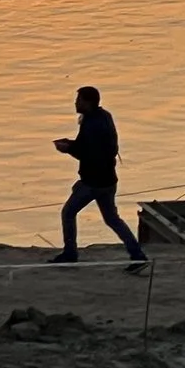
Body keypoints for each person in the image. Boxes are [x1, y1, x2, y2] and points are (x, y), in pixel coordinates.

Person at [52, 85, 147, 266]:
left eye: (79, 100)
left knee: (68, 212)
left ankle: (70, 254)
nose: (75, 103)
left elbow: (87, 152)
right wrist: (72, 145)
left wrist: (67, 148)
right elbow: (96, 148)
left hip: (93, 182)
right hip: (108, 180)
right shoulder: (104, 117)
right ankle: (137, 255)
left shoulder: (92, 123)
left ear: (87, 102)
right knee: (112, 219)